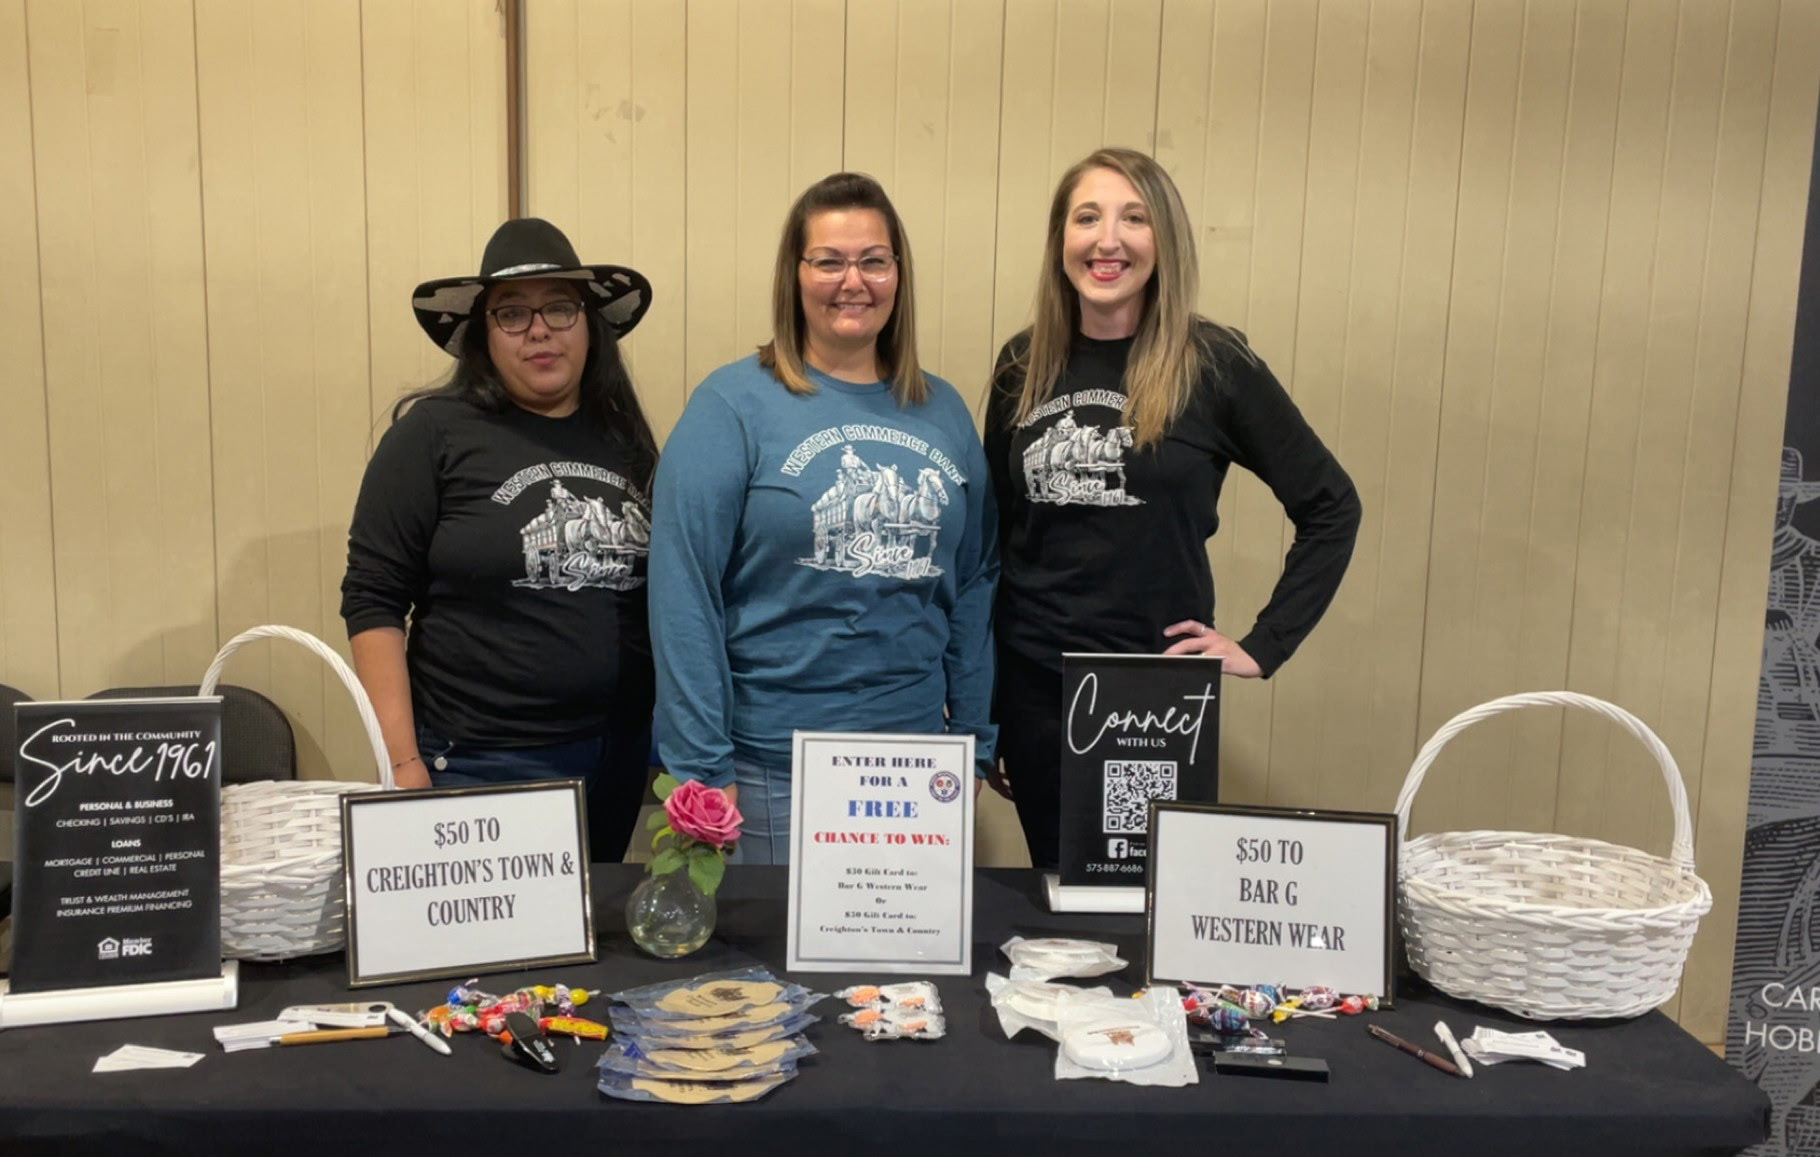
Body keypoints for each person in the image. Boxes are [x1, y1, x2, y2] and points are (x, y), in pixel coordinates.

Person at [985, 148, 1361, 870]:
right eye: (1087, 217)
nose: (1108, 240)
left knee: (1145, 912)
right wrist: (988, 706)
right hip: (1034, 688)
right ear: (1060, 238)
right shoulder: (1021, 366)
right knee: (1060, 904)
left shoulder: (1214, 365)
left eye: (1135, 218)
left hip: (1151, 696)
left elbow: (1331, 506)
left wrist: (1263, 645)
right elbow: (996, 541)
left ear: (1165, 240)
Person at [649, 172, 997, 865]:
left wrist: (978, 743)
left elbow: (975, 582)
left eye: (874, 260)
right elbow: (682, 592)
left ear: (898, 273)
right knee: (772, 975)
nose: (853, 281)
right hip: (770, 769)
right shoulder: (731, 406)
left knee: (902, 976)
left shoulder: (945, 411)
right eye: (829, 261)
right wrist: (701, 767)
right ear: (795, 274)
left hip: (916, 766)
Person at [340, 217, 659, 864]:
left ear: (589, 325)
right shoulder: (432, 435)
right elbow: (372, 600)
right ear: (484, 337)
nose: (538, 329)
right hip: (482, 761)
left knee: (584, 954)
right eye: (511, 314)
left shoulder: (625, 441)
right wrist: (402, 764)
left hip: (619, 755)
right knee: (489, 960)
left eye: (559, 308)